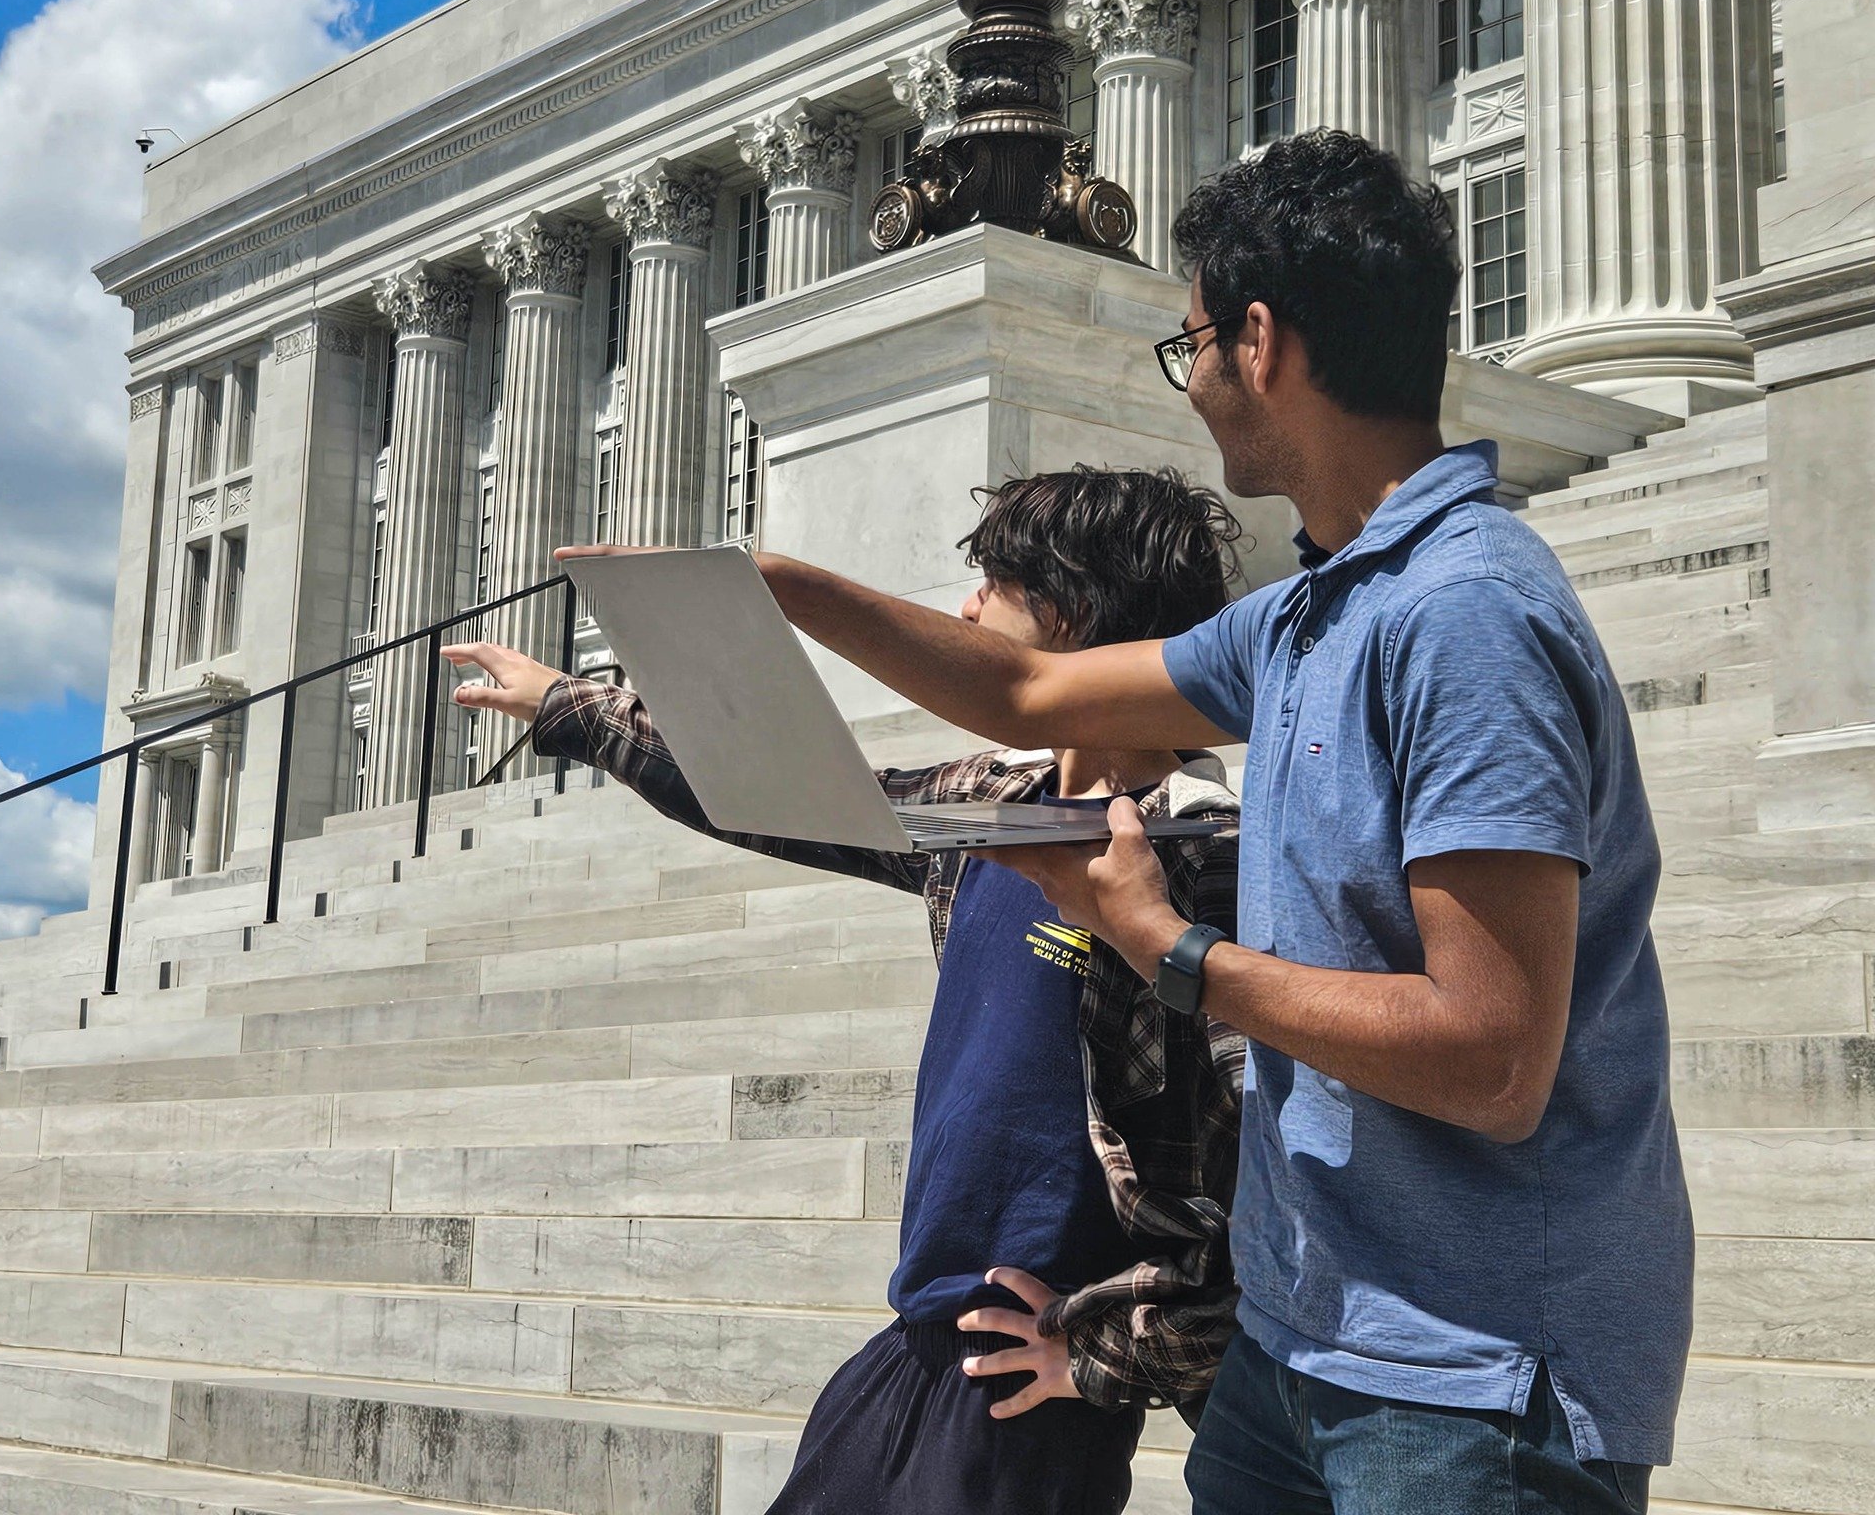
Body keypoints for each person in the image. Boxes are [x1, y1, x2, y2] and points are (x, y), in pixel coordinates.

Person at [620, 131, 1691, 1515]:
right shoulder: (1315, 613)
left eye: (1185, 346)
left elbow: (1491, 1060)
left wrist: (1166, 948)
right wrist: (781, 584)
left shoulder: (1463, 619)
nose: (1185, 386)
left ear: (1259, 343)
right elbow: (1025, 686)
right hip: (1302, 1356)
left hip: (1470, 1378)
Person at [446, 467, 1248, 1515]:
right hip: (916, 1341)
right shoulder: (992, 803)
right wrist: (572, 704)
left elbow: (1260, 1178)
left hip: (1023, 1384)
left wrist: (1103, 1353)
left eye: (990, 586)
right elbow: (784, 799)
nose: (962, 610)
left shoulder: (1199, 850)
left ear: (1070, 614)